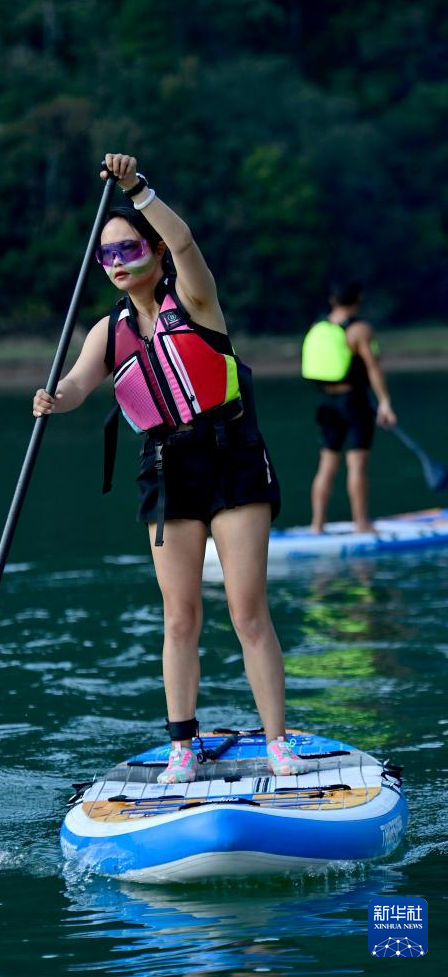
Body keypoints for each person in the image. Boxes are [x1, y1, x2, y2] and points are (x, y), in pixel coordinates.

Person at [33, 152, 306, 783]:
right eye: (106, 255)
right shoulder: (108, 332)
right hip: (167, 470)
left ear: (154, 251)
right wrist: (54, 399)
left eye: (128, 249)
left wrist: (138, 189)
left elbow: (184, 241)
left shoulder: (195, 297)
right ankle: (182, 746)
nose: (117, 262)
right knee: (179, 616)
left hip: (232, 460)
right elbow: (77, 384)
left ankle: (277, 742)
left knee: (246, 610)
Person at [302, 282, 397, 534]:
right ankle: (361, 524)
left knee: (327, 464)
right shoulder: (359, 330)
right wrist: (385, 403)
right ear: (358, 300)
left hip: (327, 403)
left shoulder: (318, 326)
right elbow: (373, 367)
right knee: (356, 464)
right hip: (353, 403)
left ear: (333, 300)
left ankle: (317, 525)